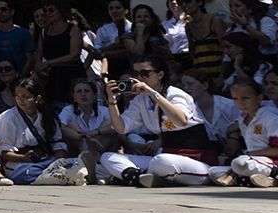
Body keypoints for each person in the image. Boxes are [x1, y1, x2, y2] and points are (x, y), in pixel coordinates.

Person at [98, 56, 214, 186]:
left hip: (197, 160)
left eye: (145, 73)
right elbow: (120, 127)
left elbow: (181, 121)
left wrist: (152, 93)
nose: (140, 78)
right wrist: (112, 101)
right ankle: (136, 177)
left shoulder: (175, 94)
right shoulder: (141, 100)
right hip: (167, 158)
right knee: (108, 157)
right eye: (136, 74)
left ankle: (123, 177)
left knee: (161, 161)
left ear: (160, 75)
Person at [0, 79, 86, 185]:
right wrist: (23, 158)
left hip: (46, 159)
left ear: (37, 98)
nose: (20, 100)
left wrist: (59, 161)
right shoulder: (8, 118)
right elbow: (4, 152)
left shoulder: (47, 115)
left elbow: (58, 144)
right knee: (28, 172)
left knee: (72, 162)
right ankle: (60, 175)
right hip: (20, 163)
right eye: (17, 96)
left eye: (25, 97)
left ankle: (60, 173)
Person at [210, 78, 278, 187]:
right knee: (214, 172)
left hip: (271, 161)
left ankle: (274, 174)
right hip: (253, 160)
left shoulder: (270, 118)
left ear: (259, 98)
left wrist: (251, 154)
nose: (240, 103)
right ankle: (268, 180)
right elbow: (230, 129)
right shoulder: (242, 118)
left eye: (245, 98)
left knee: (239, 163)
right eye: (235, 99)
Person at [59, 78, 117, 178]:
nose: (83, 94)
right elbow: (61, 127)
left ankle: (92, 163)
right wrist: (86, 137)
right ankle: (93, 164)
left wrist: (94, 132)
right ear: (74, 96)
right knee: (70, 125)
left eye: (87, 91)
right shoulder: (68, 110)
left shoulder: (103, 111)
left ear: (94, 96)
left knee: (111, 128)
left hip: (100, 146)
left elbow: (116, 127)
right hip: (79, 145)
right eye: (79, 91)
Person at [177, 0, 226, 91]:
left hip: (219, 73)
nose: (184, 5)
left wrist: (223, 75)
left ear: (199, 2)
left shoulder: (214, 21)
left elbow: (226, 50)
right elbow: (192, 52)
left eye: (188, 1)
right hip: (201, 78)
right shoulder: (189, 27)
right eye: (181, 3)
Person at [0, 0, 37, 73]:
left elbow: (30, 59)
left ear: (12, 12)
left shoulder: (23, 33)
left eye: (3, 9)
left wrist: (21, 77)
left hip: (20, 77)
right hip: (1, 77)